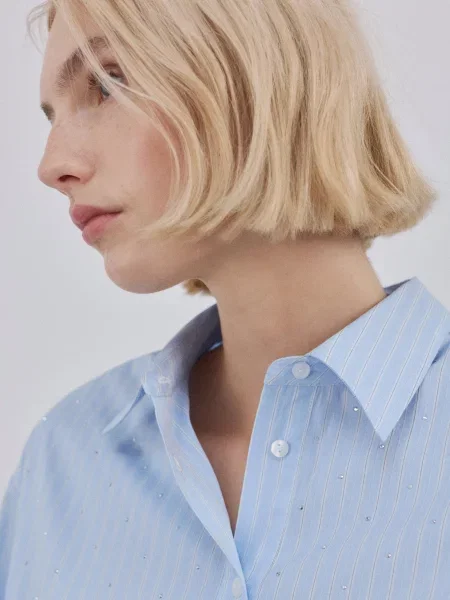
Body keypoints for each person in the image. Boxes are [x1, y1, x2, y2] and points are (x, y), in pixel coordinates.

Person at [1, 0, 448, 598]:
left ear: (258, 74)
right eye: (52, 116)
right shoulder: (65, 461)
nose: (51, 166)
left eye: (108, 83)